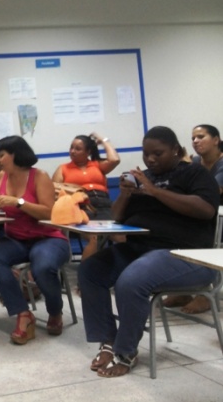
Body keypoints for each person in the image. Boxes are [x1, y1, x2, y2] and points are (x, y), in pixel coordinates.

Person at [79, 126, 219, 378]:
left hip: (186, 254)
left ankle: (125, 351)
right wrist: (125, 195)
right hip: (140, 249)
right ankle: (108, 340)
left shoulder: (193, 173)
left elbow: (206, 210)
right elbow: (117, 218)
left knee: (131, 280)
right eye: (146, 154)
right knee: (90, 271)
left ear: (175, 150)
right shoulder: (143, 177)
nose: (150, 159)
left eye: (158, 153)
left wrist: (154, 191)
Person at [0, 135, 70, 344]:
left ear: (15, 155)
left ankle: (55, 311)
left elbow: (49, 213)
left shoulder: (39, 176)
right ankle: (23, 314)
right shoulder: (1, 177)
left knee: (43, 267)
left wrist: (19, 202)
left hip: (47, 238)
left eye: (2, 155)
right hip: (16, 239)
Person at [163, 123, 223, 314]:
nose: (195, 141)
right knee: (173, 233)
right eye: (193, 138)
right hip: (204, 218)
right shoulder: (195, 162)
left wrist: (189, 168)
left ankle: (205, 295)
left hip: (219, 219)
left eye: (201, 137)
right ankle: (183, 290)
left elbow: (212, 191)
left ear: (216, 140)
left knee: (202, 240)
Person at [52, 132, 121, 260]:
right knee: (95, 237)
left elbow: (114, 160)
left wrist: (103, 140)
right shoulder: (63, 169)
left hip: (105, 206)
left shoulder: (97, 164)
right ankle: (86, 270)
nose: (72, 151)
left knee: (123, 237)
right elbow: (55, 193)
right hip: (82, 209)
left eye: (78, 149)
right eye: (71, 147)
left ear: (88, 152)